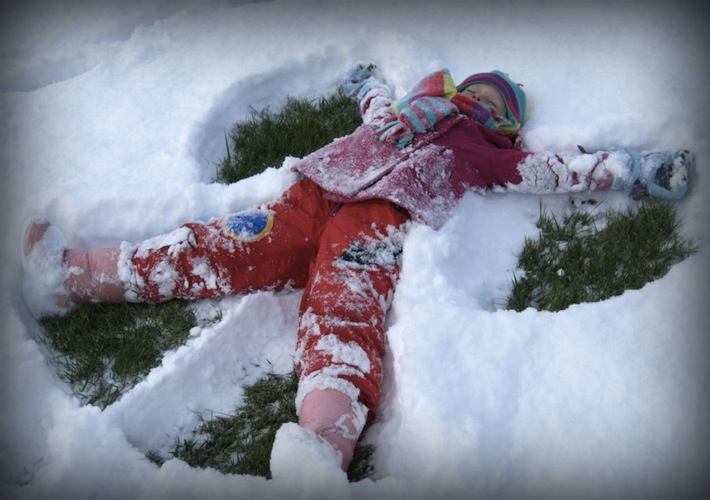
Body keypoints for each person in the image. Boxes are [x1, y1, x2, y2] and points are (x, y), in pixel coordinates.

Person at [22, 63, 691, 479]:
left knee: (345, 309)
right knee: (217, 243)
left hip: (379, 219)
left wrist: (631, 170)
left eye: (497, 104)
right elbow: (374, 108)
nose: (481, 102)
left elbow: (556, 170)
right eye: (477, 89)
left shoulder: (485, 152)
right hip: (310, 194)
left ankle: (322, 446)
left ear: (505, 126)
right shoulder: (404, 115)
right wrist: (368, 85)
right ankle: (75, 275)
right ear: (453, 88)